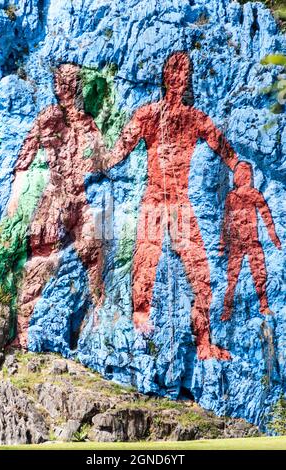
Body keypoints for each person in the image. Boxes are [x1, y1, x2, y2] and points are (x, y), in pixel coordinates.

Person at [100, 51, 239, 360]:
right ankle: (139, 319)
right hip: (153, 200)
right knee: (145, 263)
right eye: (175, 70)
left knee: (200, 272)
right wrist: (98, 163)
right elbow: (120, 149)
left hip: (181, 203)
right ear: (164, 75)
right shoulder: (147, 114)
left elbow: (221, 145)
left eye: (185, 70)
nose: (180, 75)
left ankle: (203, 342)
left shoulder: (195, 118)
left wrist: (238, 166)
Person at [7, 64, 105, 349]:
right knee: (41, 260)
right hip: (55, 197)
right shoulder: (49, 118)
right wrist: (15, 193)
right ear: (57, 86)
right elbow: (25, 156)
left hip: (81, 199)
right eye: (63, 82)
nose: (68, 87)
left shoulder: (89, 123)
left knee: (94, 254)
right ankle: (23, 332)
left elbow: (102, 161)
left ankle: (96, 325)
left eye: (73, 81)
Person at [219, 161, 281, 320]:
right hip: (242, 243)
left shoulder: (246, 195)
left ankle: (262, 305)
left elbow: (266, 216)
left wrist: (222, 244)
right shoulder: (238, 196)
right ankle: (232, 309)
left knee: (253, 274)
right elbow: (227, 221)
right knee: (240, 276)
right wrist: (274, 238)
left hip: (246, 243)